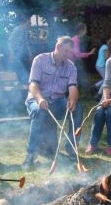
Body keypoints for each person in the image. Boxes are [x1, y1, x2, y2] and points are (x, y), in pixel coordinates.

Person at [23, 36, 83, 170]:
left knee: (78, 108)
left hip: (57, 101)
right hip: (36, 99)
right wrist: (40, 99)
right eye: (66, 51)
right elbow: (33, 85)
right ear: (58, 47)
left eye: (70, 52)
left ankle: (72, 148)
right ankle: (30, 155)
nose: (69, 55)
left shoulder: (71, 66)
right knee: (39, 111)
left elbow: (73, 87)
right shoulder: (40, 60)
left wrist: (73, 99)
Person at [7, 14, 32, 84]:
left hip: (21, 52)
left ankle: (20, 82)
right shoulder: (17, 29)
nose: (30, 25)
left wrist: (30, 53)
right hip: (14, 52)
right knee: (17, 68)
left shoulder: (26, 31)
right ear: (24, 23)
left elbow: (26, 42)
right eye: (29, 23)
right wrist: (11, 54)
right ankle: (23, 81)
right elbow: (9, 42)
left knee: (18, 68)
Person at [71, 22, 96, 89]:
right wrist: (89, 53)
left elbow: (74, 53)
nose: (86, 31)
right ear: (81, 30)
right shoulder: (76, 39)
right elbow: (78, 54)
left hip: (71, 63)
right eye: (85, 30)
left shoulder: (75, 39)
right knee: (74, 80)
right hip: (69, 64)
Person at [92, 35, 111, 101]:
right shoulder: (106, 47)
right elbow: (107, 57)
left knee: (105, 79)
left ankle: (95, 86)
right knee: (106, 80)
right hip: (101, 65)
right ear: (107, 41)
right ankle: (98, 94)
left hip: (98, 65)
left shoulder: (102, 46)